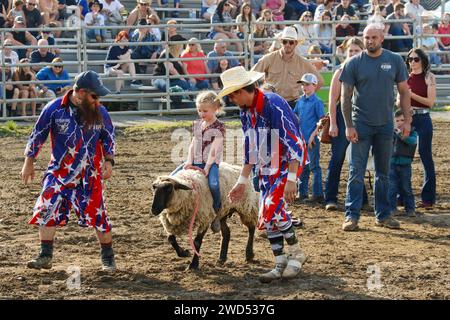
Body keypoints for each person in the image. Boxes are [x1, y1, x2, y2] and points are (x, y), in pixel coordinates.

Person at [21, 70, 116, 272]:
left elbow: (108, 137)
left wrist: (109, 161)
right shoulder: (54, 109)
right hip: (59, 172)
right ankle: (45, 255)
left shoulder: (100, 112)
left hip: (89, 174)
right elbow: (38, 134)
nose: (97, 100)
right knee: (46, 207)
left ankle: (108, 258)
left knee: (98, 215)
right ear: (80, 92)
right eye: (94, 96)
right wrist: (29, 161)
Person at [220, 66, 307, 283]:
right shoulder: (246, 112)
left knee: (272, 210)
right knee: (268, 217)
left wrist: (292, 179)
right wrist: (242, 180)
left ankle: (296, 254)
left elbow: (294, 141)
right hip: (267, 166)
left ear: (242, 91)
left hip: (287, 164)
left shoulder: (273, 103)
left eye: (232, 94)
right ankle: (280, 262)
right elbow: (250, 147)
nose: (231, 99)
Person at [339, 24, 411, 231]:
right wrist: (348, 125)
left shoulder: (395, 60)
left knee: (384, 172)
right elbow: (346, 97)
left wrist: (406, 120)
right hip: (361, 124)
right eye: (366, 37)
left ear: (382, 38)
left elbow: (404, 92)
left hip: (386, 124)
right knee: (356, 171)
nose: (369, 41)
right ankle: (351, 215)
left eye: (373, 37)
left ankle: (383, 215)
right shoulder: (353, 63)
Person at [325, 37, 370, 211]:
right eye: (350, 51)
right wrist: (333, 124)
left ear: (362, 52)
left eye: (356, 51)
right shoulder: (340, 72)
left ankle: (362, 198)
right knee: (337, 158)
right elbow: (332, 100)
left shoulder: (367, 71)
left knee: (358, 160)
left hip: (361, 118)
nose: (352, 53)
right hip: (343, 120)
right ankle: (331, 197)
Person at [172, 91, 226, 232]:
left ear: (215, 109)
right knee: (172, 178)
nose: (201, 114)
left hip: (211, 162)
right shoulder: (198, 124)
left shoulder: (219, 127)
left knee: (214, 184)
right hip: (195, 160)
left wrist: (207, 168)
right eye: (199, 110)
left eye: (205, 111)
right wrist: (189, 162)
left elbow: (214, 150)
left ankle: (217, 211)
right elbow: (193, 144)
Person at [252, 26, 323, 109]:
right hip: (272, 102)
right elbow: (252, 76)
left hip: (294, 104)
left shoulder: (303, 62)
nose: (287, 45)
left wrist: (306, 98)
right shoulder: (269, 58)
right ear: (281, 42)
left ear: (296, 43)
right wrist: (259, 96)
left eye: (291, 42)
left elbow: (320, 81)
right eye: (285, 42)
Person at [405, 48, 436, 209]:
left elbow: (430, 102)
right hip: (408, 118)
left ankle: (428, 198)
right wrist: (403, 103)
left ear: (422, 60)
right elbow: (399, 100)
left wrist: (410, 96)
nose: (412, 62)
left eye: (416, 59)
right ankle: (402, 195)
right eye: (410, 59)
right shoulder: (405, 77)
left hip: (423, 118)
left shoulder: (429, 77)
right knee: (403, 157)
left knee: (425, 156)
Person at [293, 73, 324, 203]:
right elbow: (295, 116)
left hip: (312, 139)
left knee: (314, 166)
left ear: (314, 85)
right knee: (303, 166)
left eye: (307, 84)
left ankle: (318, 194)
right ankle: (303, 192)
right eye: (302, 84)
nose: (304, 87)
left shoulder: (317, 102)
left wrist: (312, 136)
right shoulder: (300, 101)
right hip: (301, 139)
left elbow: (322, 121)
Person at [388, 109, 417, 217]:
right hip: (391, 164)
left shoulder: (413, 132)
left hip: (405, 165)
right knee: (391, 188)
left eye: (402, 120)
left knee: (406, 188)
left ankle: (410, 209)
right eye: (397, 120)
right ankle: (392, 209)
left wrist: (401, 134)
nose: (400, 123)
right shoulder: (391, 132)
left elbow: (412, 141)